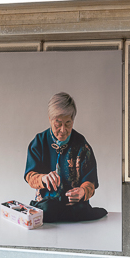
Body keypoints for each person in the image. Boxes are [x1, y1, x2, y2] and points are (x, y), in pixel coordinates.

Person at [25, 92, 106, 222]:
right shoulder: (39, 142)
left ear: (73, 120)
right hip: (47, 203)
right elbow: (30, 176)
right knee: (48, 209)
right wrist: (43, 178)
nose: (63, 130)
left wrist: (82, 191)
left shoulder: (82, 145)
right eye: (58, 123)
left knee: (80, 209)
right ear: (50, 119)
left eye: (68, 123)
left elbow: (90, 182)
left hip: (74, 205)